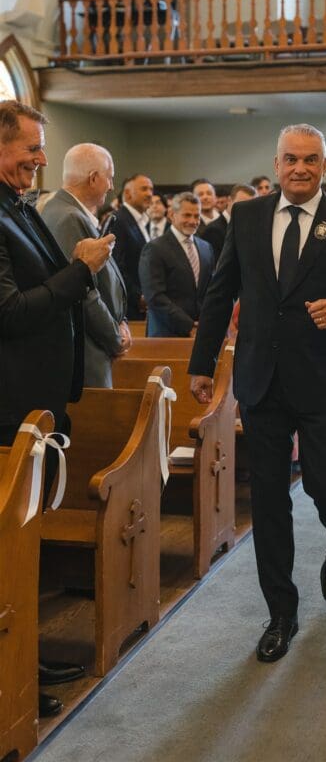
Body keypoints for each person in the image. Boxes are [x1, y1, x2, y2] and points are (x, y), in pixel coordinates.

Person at [188, 124, 326, 663]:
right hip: (259, 379)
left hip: (321, 379)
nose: (300, 168)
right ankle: (280, 612)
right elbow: (221, 292)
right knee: (268, 499)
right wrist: (203, 364)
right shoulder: (248, 216)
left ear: (324, 167)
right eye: (290, 159)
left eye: (311, 160)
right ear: (277, 163)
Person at [0, 101, 114, 716]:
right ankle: (10, 672)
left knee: (24, 546)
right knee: (6, 547)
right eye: (30, 149)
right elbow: (10, 313)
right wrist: (80, 270)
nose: (41, 160)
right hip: (9, 409)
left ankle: (26, 653)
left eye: (42, 149)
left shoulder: (17, 207)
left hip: (37, 409)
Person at [41, 143, 130, 387]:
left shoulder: (62, 209)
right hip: (87, 352)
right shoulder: (69, 217)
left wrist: (120, 321)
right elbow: (82, 290)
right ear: (93, 178)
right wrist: (114, 336)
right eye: (109, 178)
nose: (111, 187)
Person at [139, 192, 214, 337]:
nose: (193, 221)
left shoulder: (206, 248)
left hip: (201, 333)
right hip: (166, 334)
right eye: (187, 215)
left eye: (197, 216)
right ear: (172, 214)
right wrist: (189, 325)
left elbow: (209, 291)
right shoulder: (154, 249)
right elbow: (154, 297)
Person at [103, 173, 154, 320]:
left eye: (151, 189)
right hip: (128, 307)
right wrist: (138, 297)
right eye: (144, 189)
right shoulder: (118, 220)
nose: (149, 194)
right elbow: (115, 266)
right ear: (127, 193)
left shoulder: (143, 221)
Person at [203, 182, 256, 258]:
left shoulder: (251, 228)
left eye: (251, 206)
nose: (246, 209)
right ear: (229, 200)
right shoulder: (213, 230)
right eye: (242, 204)